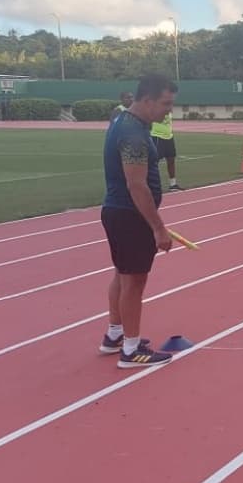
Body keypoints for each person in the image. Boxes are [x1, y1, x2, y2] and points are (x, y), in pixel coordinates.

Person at [98, 74, 178, 368]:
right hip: (131, 216)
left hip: (119, 212)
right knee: (134, 281)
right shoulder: (133, 134)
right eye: (165, 104)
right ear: (147, 100)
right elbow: (137, 185)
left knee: (122, 274)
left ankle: (115, 335)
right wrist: (158, 227)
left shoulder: (123, 120)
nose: (169, 110)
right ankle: (131, 351)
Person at [150, 98, 180, 191]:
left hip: (169, 136)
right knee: (155, 162)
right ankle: (152, 185)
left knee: (171, 159)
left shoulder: (169, 108)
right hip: (157, 135)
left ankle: (173, 184)